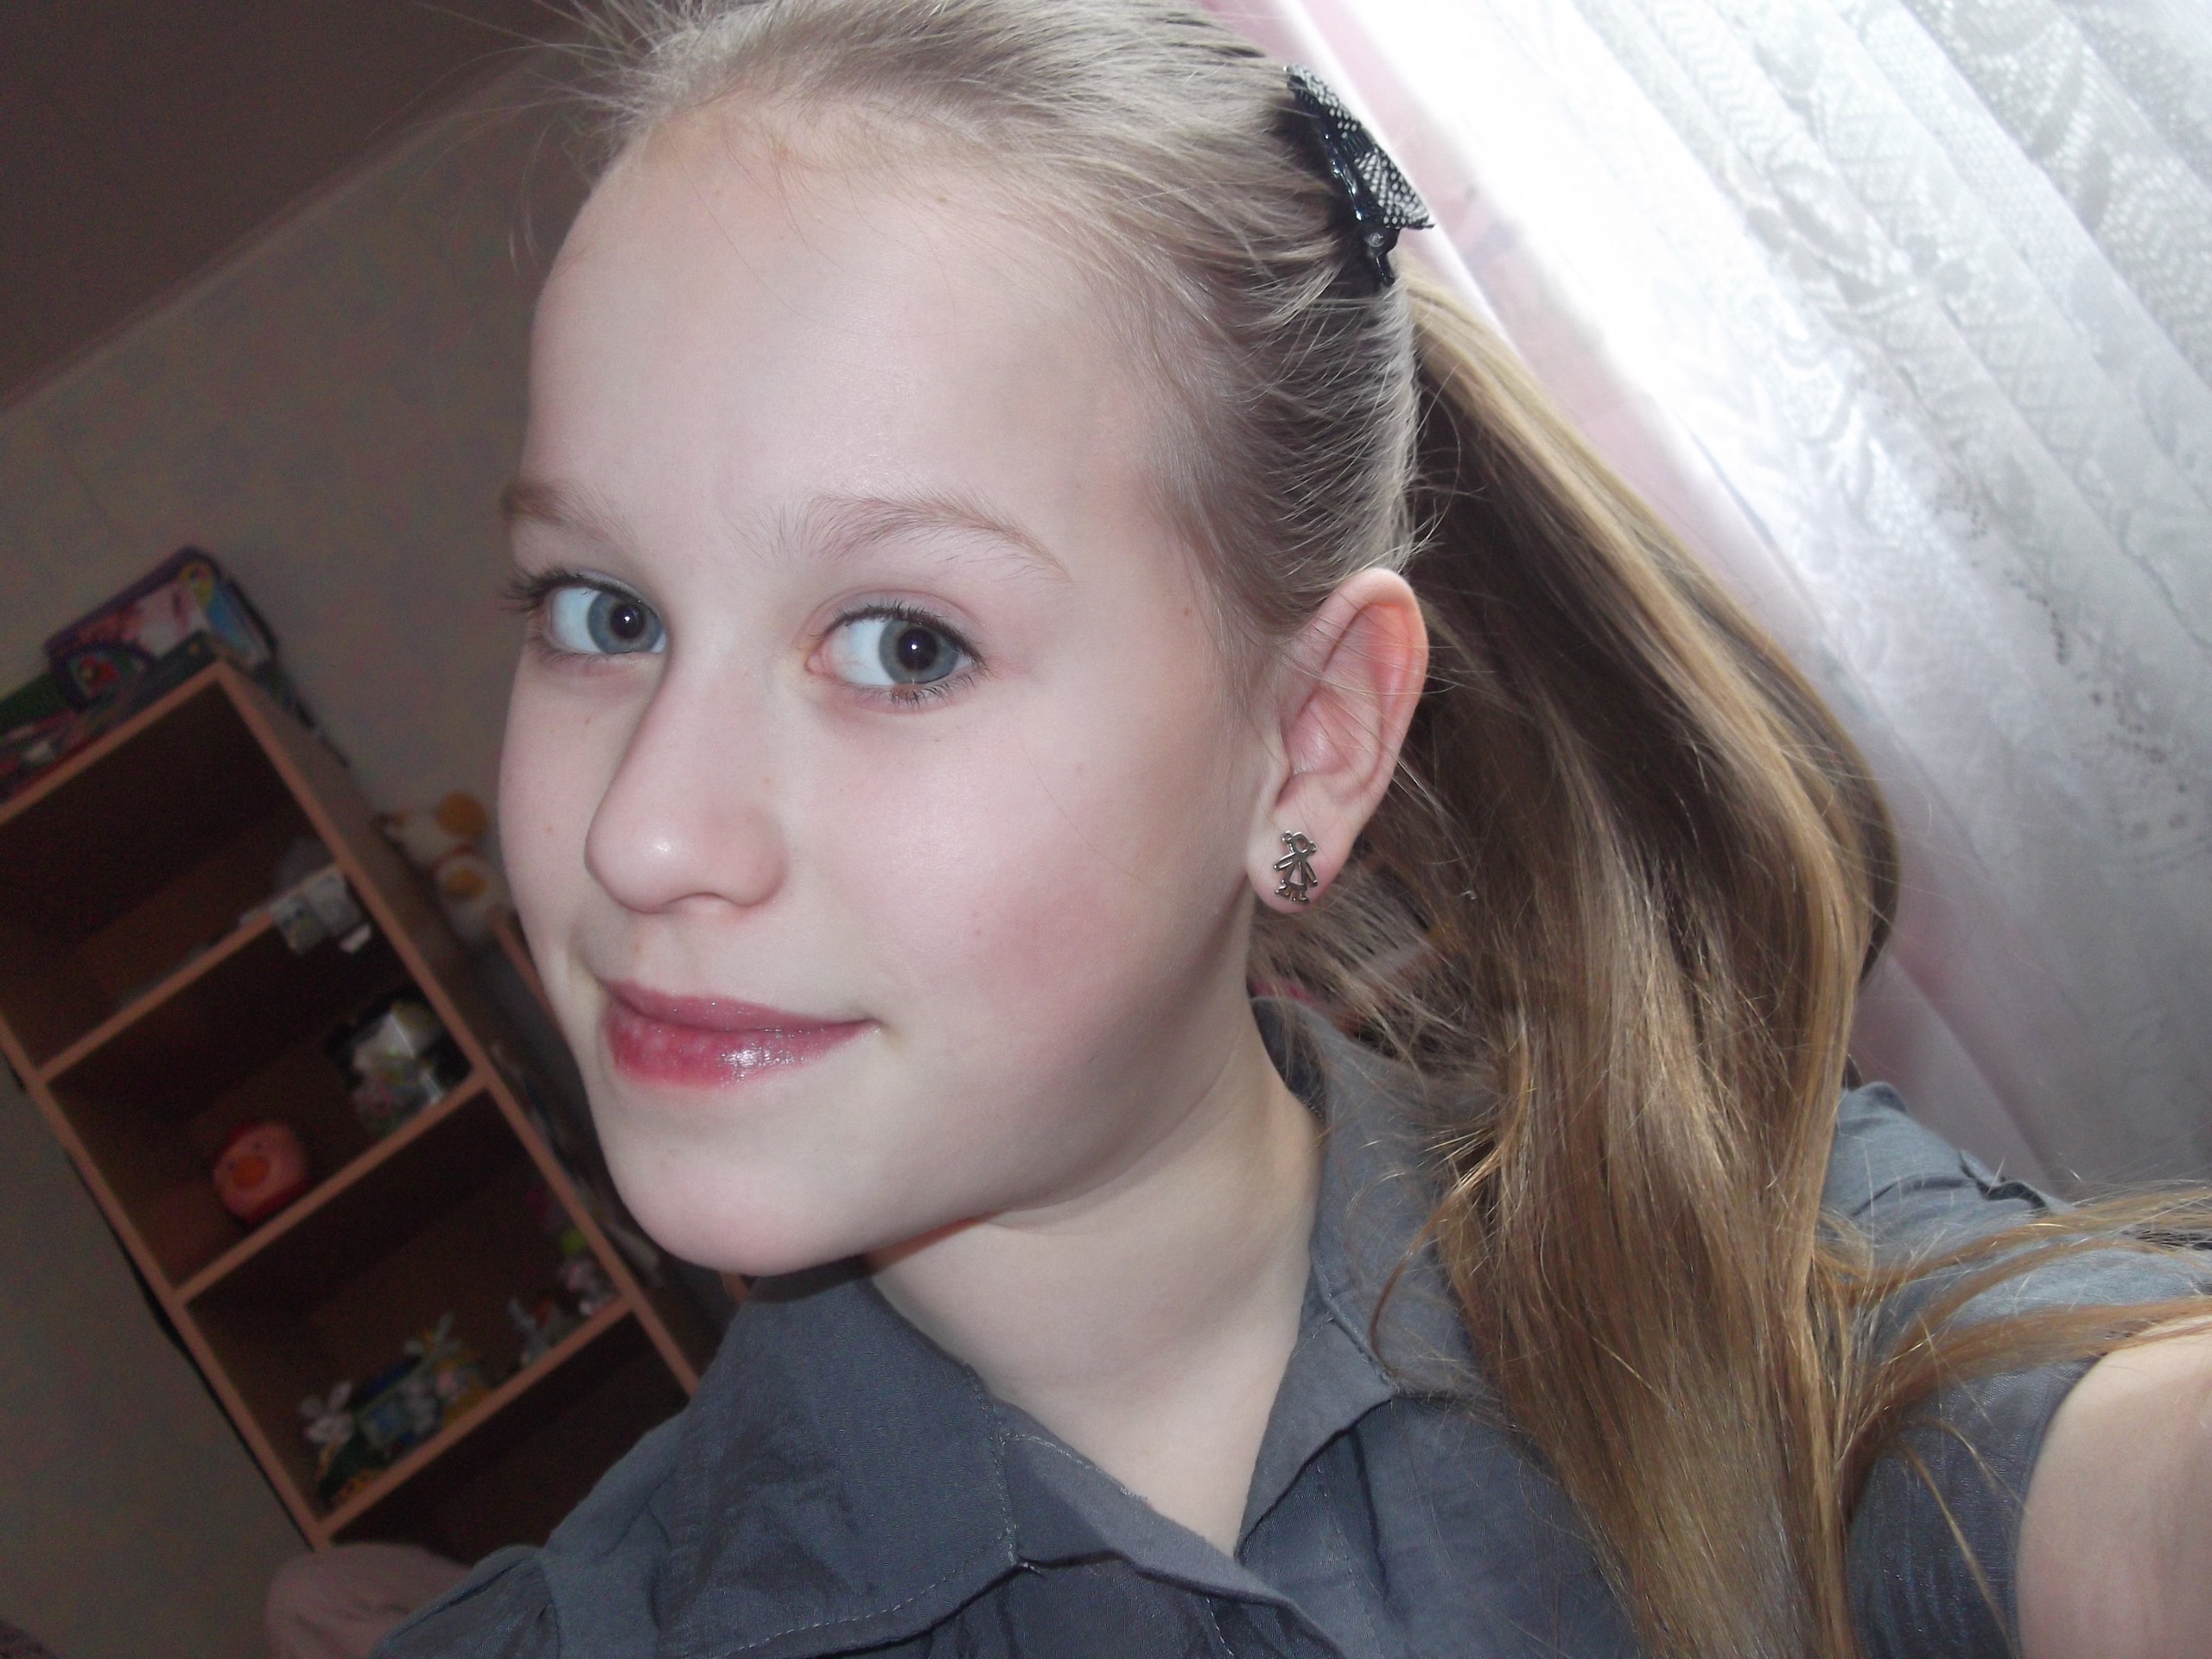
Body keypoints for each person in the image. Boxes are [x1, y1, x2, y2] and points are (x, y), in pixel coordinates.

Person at [383, 2, 2212, 1654]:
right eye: (601, 614)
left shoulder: (1754, 1265)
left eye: (903, 645)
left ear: (1311, 742)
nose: (644, 838)